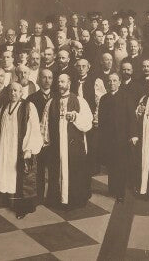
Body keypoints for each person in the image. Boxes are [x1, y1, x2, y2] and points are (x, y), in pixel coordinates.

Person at [42, 73, 94, 208]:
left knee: (75, 171)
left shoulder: (80, 101)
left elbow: (88, 123)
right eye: (58, 82)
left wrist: (76, 117)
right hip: (56, 146)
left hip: (74, 146)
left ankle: (76, 200)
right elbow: (45, 124)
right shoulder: (51, 102)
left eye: (63, 82)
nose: (60, 84)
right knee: (55, 171)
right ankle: (57, 200)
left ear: (69, 83)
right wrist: (45, 141)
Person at [0, 82, 43, 218]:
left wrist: (29, 149)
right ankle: (6, 201)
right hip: (5, 147)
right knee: (6, 173)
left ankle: (22, 208)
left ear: (21, 93)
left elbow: (34, 129)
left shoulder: (28, 106)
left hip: (20, 148)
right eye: (11, 91)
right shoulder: (5, 107)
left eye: (16, 91)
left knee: (20, 176)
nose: (13, 93)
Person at [98, 73, 132, 202]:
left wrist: (132, 135)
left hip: (122, 138)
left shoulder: (125, 97)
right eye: (110, 81)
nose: (112, 83)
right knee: (111, 164)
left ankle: (120, 192)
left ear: (119, 83)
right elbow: (101, 119)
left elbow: (131, 118)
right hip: (108, 138)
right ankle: (112, 188)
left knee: (121, 165)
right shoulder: (104, 98)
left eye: (114, 81)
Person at [26, 69, 53, 200]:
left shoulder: (57, 97)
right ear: (39, 79)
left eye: (50, 78)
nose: (47, 80)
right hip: (38, 139)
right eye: (44, 77)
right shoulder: (32, 98)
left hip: (54, 139)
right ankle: (39, 197)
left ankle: (53, 197)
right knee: (39, 169)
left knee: (54, 168)